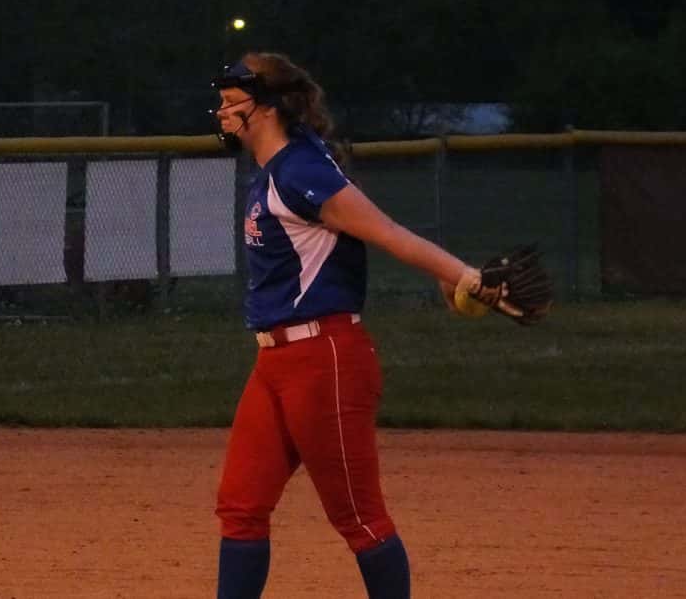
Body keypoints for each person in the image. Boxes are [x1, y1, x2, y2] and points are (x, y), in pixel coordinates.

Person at [210, 52, 491, 599]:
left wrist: (459, 274)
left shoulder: (301, 172)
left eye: (230, 101)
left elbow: (386, 231)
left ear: (264, 108)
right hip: (275, 362)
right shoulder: (283, 165)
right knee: (241, 506)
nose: (221, 112)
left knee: (359, 518)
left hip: (325, 360)